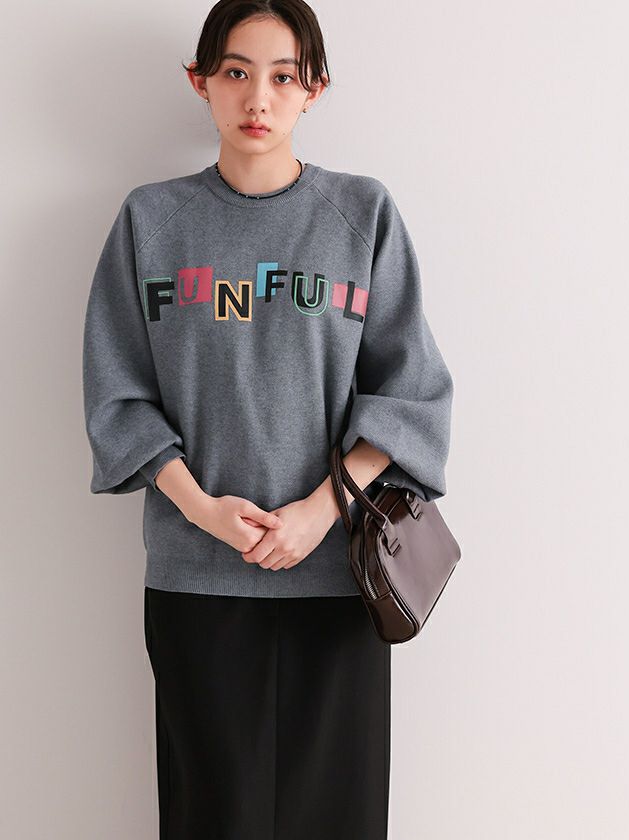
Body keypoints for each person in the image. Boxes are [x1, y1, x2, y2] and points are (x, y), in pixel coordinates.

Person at [81, 0, 455, 837]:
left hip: (341, 579)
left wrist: (322, 510)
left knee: (337, 817)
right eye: (236, 72)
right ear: (200, 81)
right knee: (213, 816)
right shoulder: (151, 221)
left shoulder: (361, 213)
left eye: (284, 77)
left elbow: (411, 392)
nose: (258, 98)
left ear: (314, 89)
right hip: (196, 579)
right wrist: (202, 510)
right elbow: (118, 395)